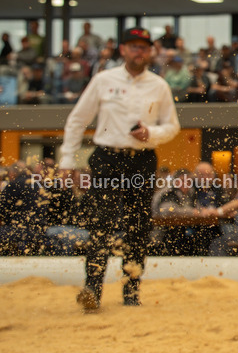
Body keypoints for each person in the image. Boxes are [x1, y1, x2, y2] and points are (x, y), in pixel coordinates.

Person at [59, 27, 180, 310]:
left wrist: (151, 133)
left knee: (138, 226)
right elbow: (77, 120)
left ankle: (131, 293)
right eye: (133, 46)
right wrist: (67, 160)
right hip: (107, 159)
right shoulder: (103, 80)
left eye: (144, 47)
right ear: (123, 50)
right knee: (100, 224)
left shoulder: (159, 85)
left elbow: (172, 126)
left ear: (150, 52)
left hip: (142, 160)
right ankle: (92, 289)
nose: (139, 51)